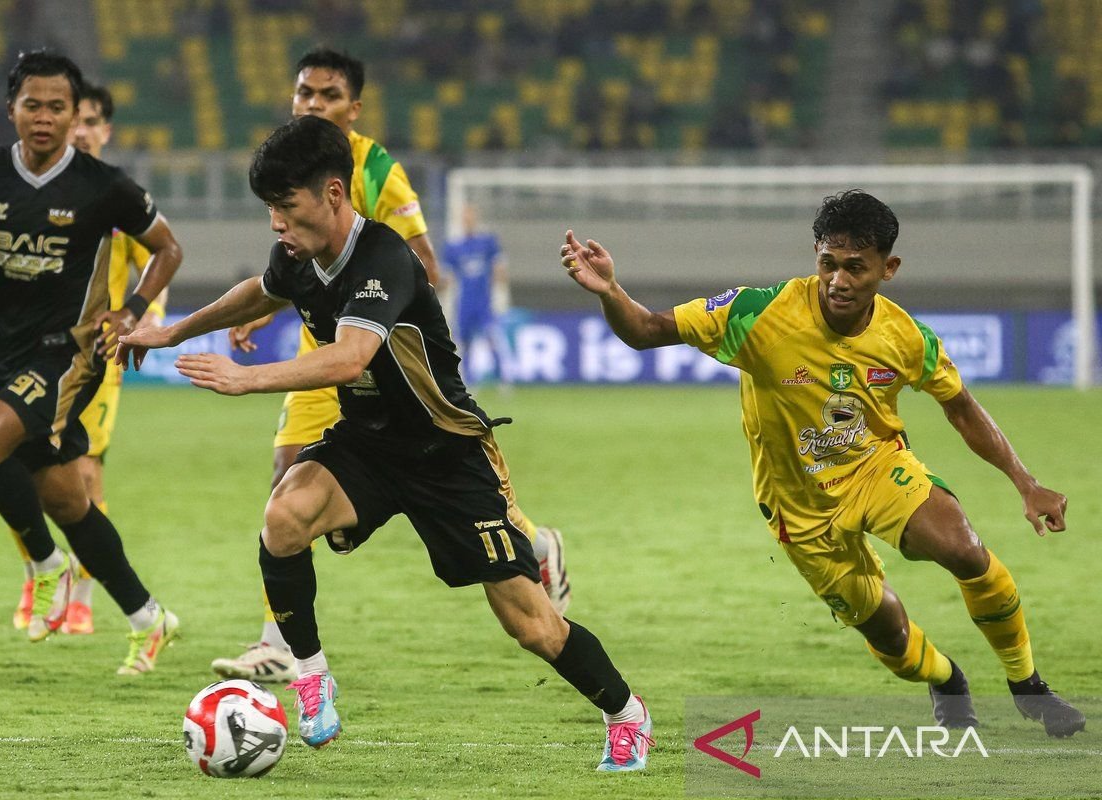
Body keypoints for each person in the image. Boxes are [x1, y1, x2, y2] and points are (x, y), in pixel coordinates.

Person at [119, 116, 652, 771]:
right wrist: (172, 331)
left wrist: (242, 380)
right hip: (369, 446)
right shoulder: (295, 254)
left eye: (286, 207)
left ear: (334, 194)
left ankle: (626, 713)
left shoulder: (383, 257)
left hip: (447, 451)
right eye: (269, 211)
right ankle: (312, 678)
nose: (277, 225)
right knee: (283, 516)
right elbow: (259, 292)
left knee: (532, 625)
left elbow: (349, 358)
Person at [560, 189, 1086, 738]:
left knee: (965, 549)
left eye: (856, 267)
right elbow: (647, 330)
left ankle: (1028, 686)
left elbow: (961, 408)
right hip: (799, 507)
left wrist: (1026, 484)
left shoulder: (905, 336)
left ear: (889, 268)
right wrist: (610, 290)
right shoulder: (758, 312)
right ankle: (946, 677)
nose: (838, 280)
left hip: (876, 469)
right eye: (828, 264)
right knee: (893, 640)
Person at [209, 48, 569, 685]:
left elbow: (423, 263)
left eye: (327, 95)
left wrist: (374, 300)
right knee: (286, 485)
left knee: (442, 498)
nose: (313, 104)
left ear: (355, 106)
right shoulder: (292, 163)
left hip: (369, 352)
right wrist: (276, 305)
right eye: (304, 93)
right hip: (324, 353)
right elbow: (285, 270)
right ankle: (282, 643)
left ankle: (533, 546)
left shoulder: (378, 170)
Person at [0, 50, 183, 675]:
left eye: (58, 107)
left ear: (75, 115)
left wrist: (134, 310)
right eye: (32, 105)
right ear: (11, 109)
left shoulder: (104, 185)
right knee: (67, 500)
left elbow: (168, 249)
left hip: (74, 352)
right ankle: (150, 618)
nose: (44, 117)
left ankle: (47, 565)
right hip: (9, 353)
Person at [8, 81, 169, 637]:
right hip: (30, 353)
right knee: (20, 468)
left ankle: (79, 596)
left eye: (95, 121)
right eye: (79, 119)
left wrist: (139, 320)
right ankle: (40, 572)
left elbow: (158, 260)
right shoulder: (34, 188)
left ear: (107, 130)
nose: (83, 129)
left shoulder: (117, 197)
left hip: (92, 359)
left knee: (84, 472)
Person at [442, 203, 512, 385]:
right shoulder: (453, 247)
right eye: (465, 218)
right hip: (464, 303)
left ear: (475, 218)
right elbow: (448, 277)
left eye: (470, 217)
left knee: (492, 339)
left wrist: (501, 292)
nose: (468, 220)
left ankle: (502, 379)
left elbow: (499, 268)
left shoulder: (487, 242)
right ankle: (467, 381)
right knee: (465, 344)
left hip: (484, 302)